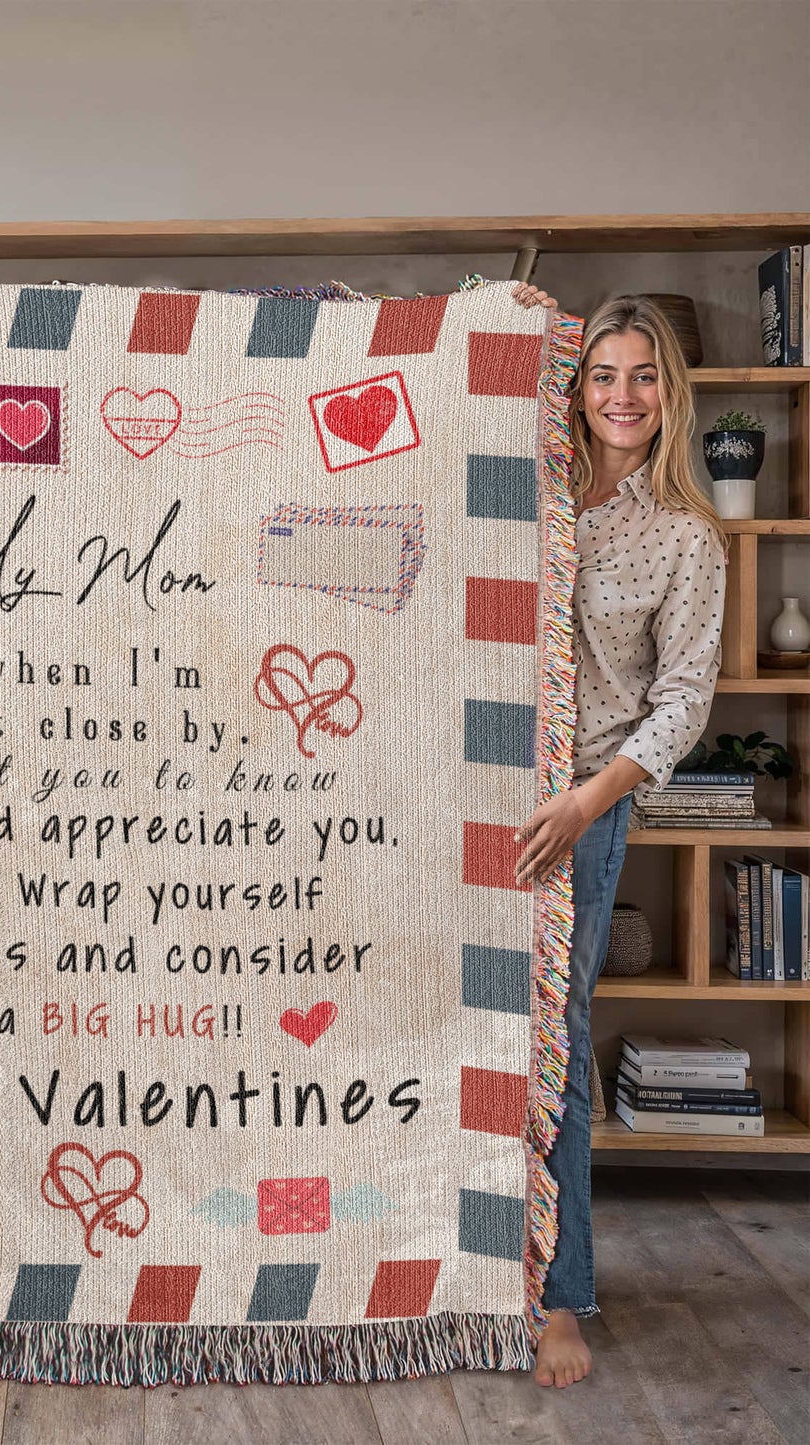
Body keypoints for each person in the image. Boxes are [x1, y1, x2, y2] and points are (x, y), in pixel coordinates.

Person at [509, 285, 727, 1387]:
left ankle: (558, 1292)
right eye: (603, 374)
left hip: (580, 811)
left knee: (554, 1035)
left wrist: (583, 804)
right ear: (574, 384)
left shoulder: (683, 533)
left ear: (667, 392)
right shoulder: (521, 491)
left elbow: (681, 701)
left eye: (642, 375)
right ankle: (436, 1261)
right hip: (475, 787)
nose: (622, 395)